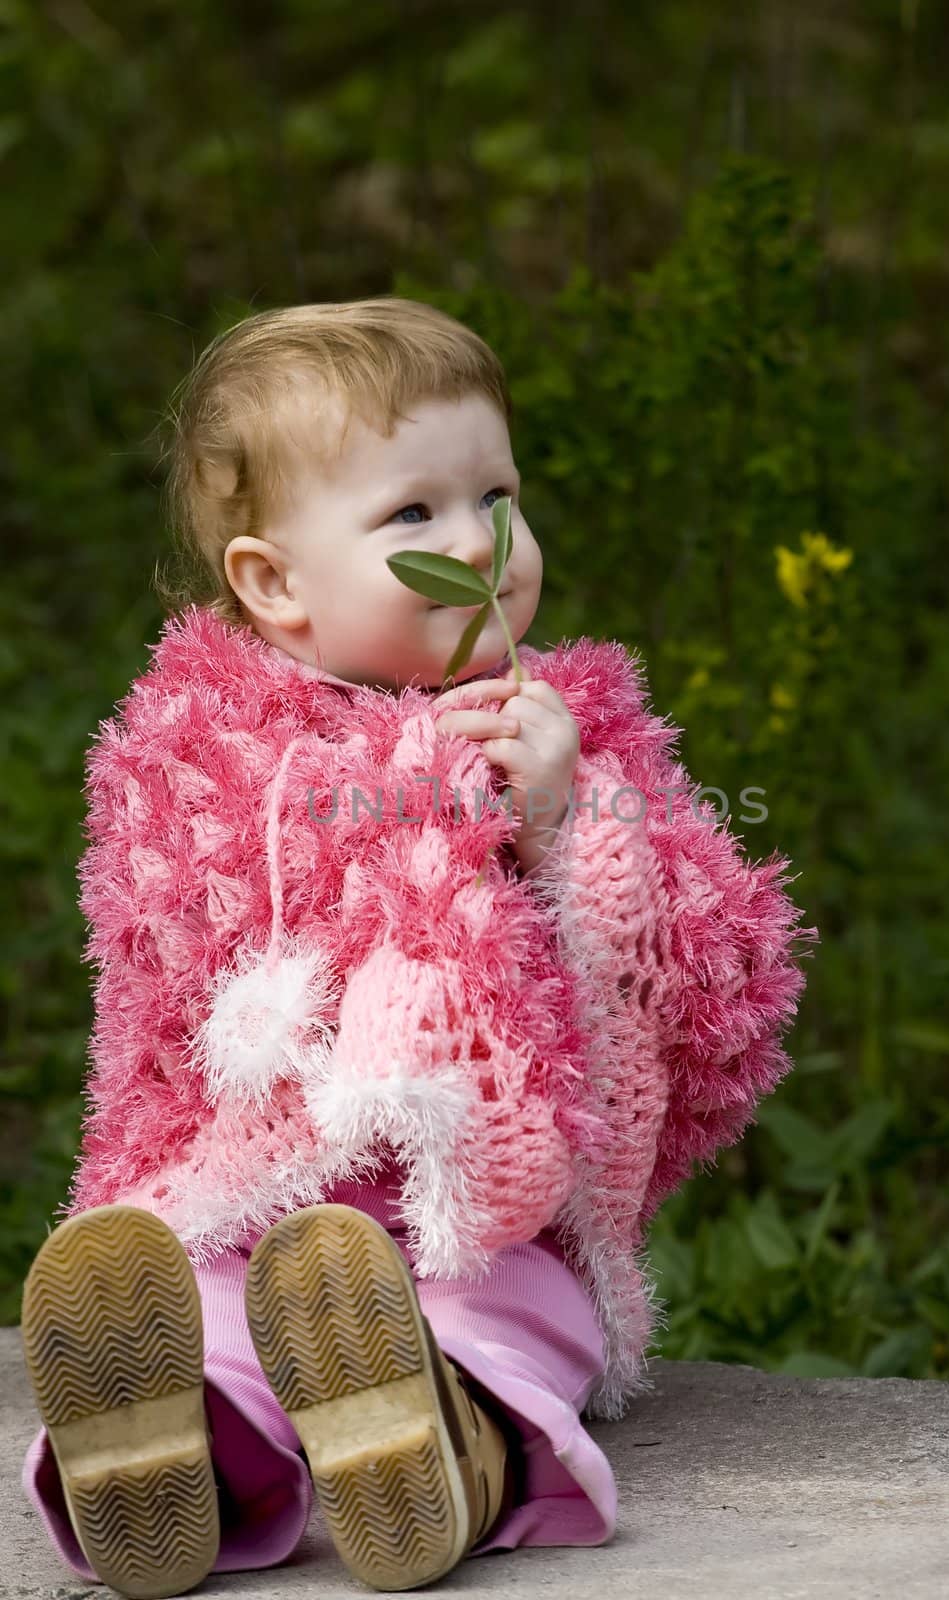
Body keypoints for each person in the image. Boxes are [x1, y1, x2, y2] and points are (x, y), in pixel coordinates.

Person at [20, 297, 817, 1596]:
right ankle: (171, 1448)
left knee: (500, 1321)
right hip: (277, 1178)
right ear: (273, 583)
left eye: (497, 495)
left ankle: (443, 1446)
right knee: (203, 1292)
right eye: (415, 517)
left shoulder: (565, 728)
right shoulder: (210, 752)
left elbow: (700, 962)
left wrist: (567, 822)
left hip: (483, 1210)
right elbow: (198, 945)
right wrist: (412, 800)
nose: (481, 546)